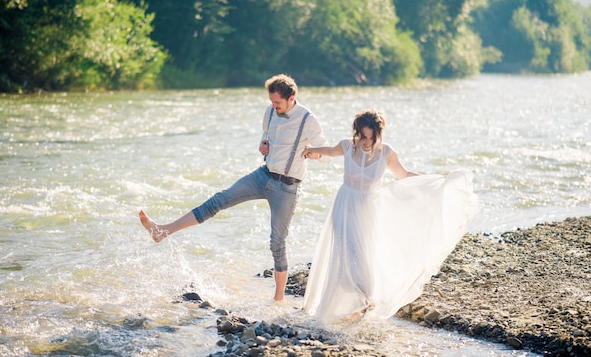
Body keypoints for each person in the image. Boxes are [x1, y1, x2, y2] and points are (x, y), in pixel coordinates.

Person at [139, 74, 328, 301]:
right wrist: (263, 144)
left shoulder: (308, 119)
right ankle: (163, 231)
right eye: (271, 101)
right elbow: (266, 134)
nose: (274, 106)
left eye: (277, 102)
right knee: (218, 200)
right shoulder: (269, 112)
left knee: (277, 241)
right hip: (263, 175)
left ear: (291, 98)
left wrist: (314, 153)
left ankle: (278, 301)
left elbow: (325, 155)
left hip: (287, 187)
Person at [301, 109, 477, 325]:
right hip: (345, 204)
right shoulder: (348, 146)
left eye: (371, 137)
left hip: (369, 209)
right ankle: (354, 303)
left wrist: (436, 183)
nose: (366, 142)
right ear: (356, 133)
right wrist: (310, 150)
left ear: (379, 134)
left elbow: (404, 176)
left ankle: (364, 299)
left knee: (363, 255)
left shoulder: (387, 153)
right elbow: (328, 151)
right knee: (345, 252)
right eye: (362, 136)